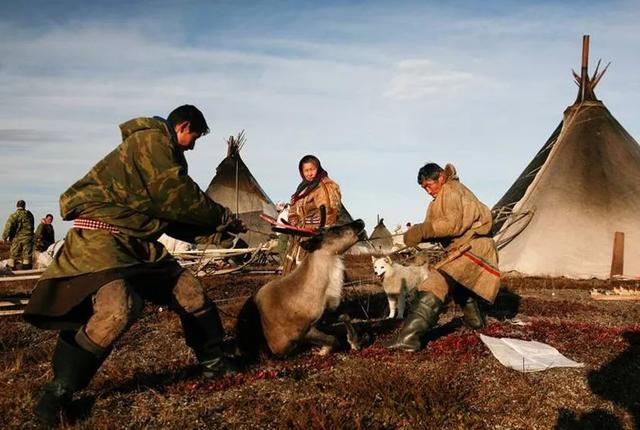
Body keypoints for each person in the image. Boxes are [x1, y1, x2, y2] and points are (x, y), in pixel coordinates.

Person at [23, 105, 247, 426]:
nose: (194, 145)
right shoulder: (151, 142)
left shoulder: (167, 155)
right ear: (183, 126)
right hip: (103, 241)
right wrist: (221, 215)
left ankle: (212, 360)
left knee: (191, 292)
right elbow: (176, 195)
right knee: (118, 308)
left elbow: (174, 215)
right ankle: (59, 391)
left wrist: (222, 228)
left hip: (141, 245)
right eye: (194, 137)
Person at [383, 162, 500, 352]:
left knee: (436, 282)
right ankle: (477, 324)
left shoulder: (451, 190)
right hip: (469, 246)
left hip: (473, 247)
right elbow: (442, 228)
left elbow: (452, 224)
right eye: (424, 188)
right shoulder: (443, 194)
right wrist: (419, 233)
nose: (428, 191)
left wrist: (422, 230)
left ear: (441, 177)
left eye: (429, 185)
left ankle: (409, 338)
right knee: (460, 287)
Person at [282, 155, 342, 274]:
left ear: (318, 168)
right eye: (306, 170)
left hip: (316, 237)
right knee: (294, 272)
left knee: (312, 273)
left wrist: (321, 231)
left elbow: (331, 209)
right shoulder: (303, 188)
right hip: (300, 236)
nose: (309, 173)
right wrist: (293, 224)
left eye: (312, 169)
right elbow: (294, 208)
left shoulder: (325, 186)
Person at [2, 199, 35, 270]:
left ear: (17, 206)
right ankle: (27, 273)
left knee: (13, 255)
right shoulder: (29, 214)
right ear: (24, 206)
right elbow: (32, 226)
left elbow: (8, 226)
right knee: (27, 256)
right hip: (28, 238)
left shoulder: (14, 215)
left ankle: (11, 271)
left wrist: (5, 237)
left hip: (17, 238)